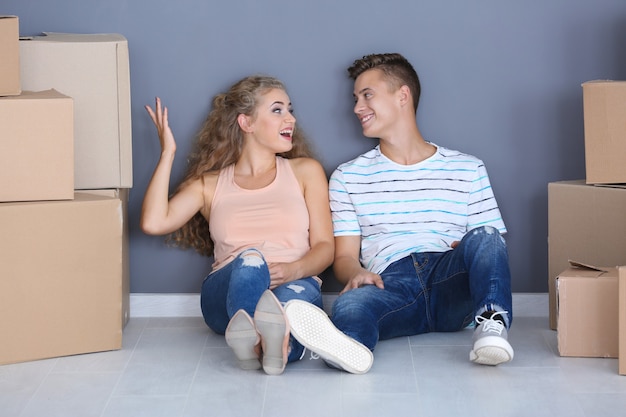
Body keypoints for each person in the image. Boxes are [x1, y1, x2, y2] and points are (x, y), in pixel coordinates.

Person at [284, 52, 514, 373]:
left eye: (367, 95)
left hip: (451, 281)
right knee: (351, 303)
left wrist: (469, 251)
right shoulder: (348, 176)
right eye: (355, 98)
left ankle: (491, 326)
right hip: (389, 284)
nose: (356, 108)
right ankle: (350, 347)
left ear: (402, 95)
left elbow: (490, 248)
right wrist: (356, 274)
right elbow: (344, 258)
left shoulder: (467, 168)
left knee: (487, 236)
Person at [140, 75, 334, 375]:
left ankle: (266, 348)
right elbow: (154, 222)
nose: (291, 119)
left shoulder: (306, 172)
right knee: (251, 259)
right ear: (247, 123)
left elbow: (325, 247)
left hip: (293, 281)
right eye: (278, 110)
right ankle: (260, 335)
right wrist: (167, 153)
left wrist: (293, 270)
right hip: (225, 295)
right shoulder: (209, 185)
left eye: (290, 109)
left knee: (288, 310)